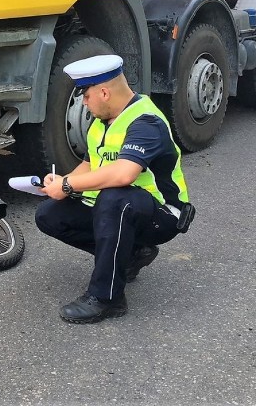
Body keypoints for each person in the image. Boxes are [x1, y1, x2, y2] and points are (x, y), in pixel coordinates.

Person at [36, 54, 194, 324]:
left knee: (116, 198)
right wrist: (60, 183)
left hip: (162, 214)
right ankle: (132, 253)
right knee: (49, 214)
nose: (84, 103)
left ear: (104, 92)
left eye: (85, 96)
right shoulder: (101, 123)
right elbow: (89, 165)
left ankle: (107, 298)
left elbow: (123, 174)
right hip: (122, 207)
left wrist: (68, 184)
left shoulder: (146, 122)